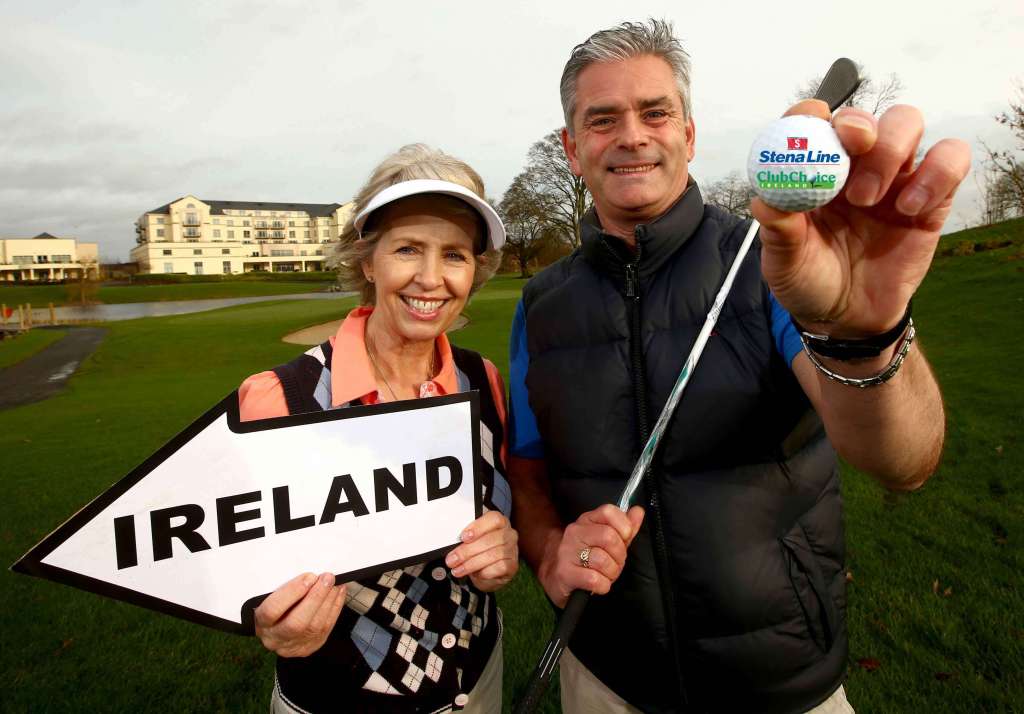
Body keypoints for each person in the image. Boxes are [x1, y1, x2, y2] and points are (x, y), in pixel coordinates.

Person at [508, 20, 969, 714]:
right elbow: (530, 471)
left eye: (655, 112)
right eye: (602, 120)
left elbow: (902, 458)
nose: (632, 135)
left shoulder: (773, 266)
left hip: (782, 684)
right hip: (607, 676)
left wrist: (860, 331)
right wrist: (546, 552)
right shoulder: (540, 304)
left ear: (688, 136)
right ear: (572, 151)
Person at [239, 144, 518, 713]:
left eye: (455, 254)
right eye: (408, 249)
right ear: (368, 260)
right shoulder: (280, 397)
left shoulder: (481, 380)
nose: (431, 278)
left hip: (478, 684)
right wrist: (266, 620)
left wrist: (503, 551)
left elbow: (501, 515)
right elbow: (229, 564)